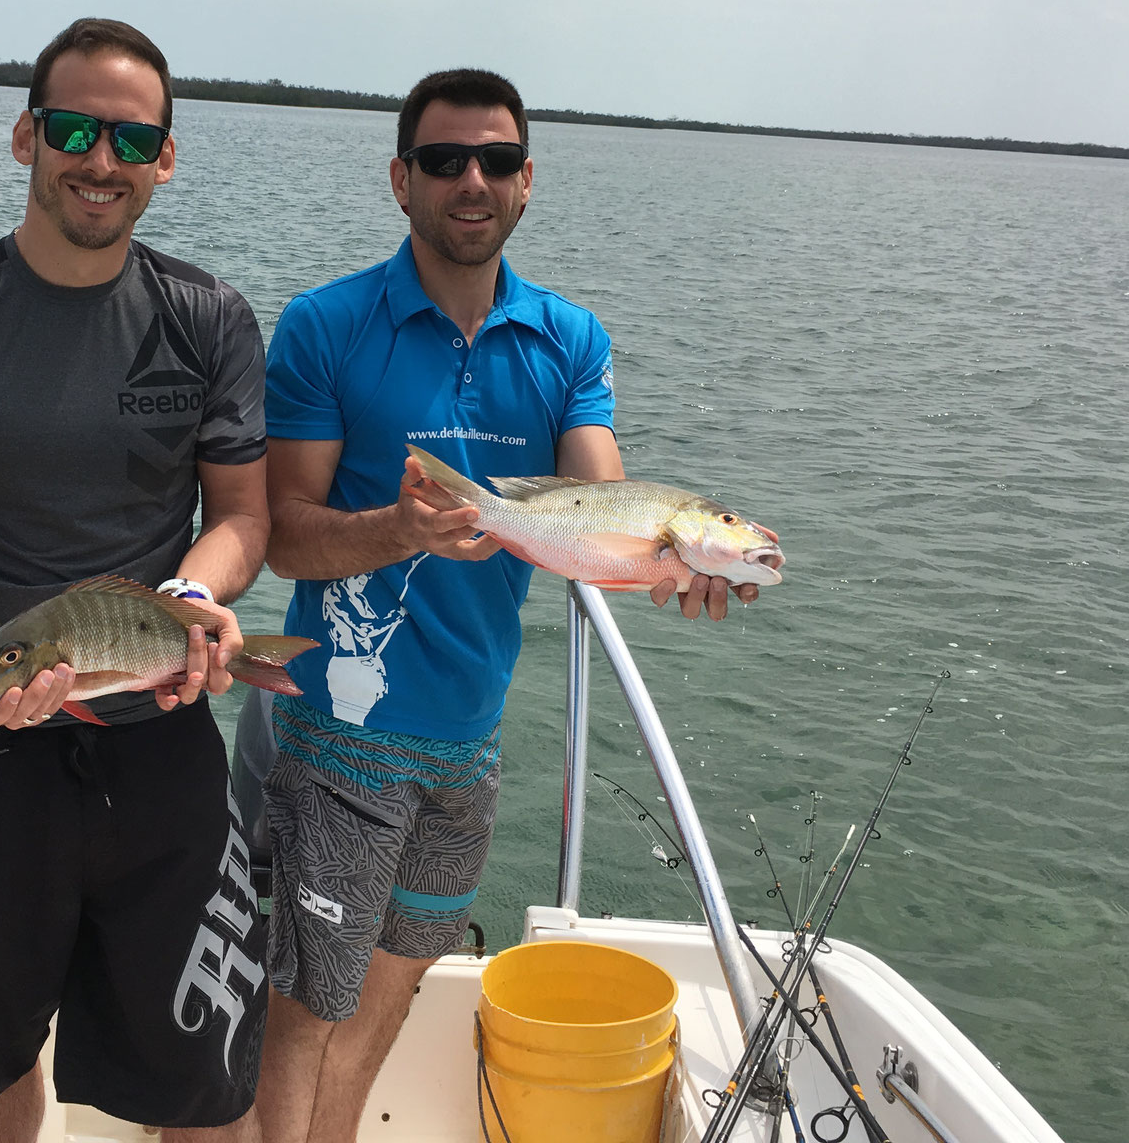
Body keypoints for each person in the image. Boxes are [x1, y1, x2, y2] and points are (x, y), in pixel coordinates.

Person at [248, 69, 762, 1143]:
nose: (468, 180)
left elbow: (602, 506)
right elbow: (280, 531)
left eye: (492, 160)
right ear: (401, 181)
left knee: (385, 999)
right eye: (442, 160)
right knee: (305, 1008)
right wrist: (395, 530)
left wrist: (676, 559)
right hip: (339, 734)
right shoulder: (324, 325)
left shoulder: (568, 340)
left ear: (527, 182)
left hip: (465, 747)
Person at [0, 18, 270, 1143]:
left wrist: (193, 598)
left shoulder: (210, 319)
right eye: (74, 130)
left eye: (131, 139)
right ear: (25, 138)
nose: (101, 161)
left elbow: (239, 519)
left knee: (203, 1073)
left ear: (165, 159)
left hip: (164, 744)